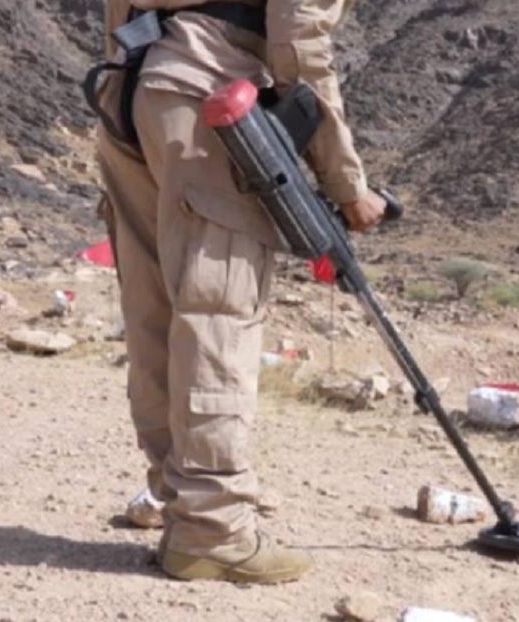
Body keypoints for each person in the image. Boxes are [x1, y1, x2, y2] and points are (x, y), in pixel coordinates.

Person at [88, 0, 386, 584]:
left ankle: (182, 505)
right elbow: (299, 39)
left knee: (157, 312)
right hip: (206, 94)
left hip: (131, 88)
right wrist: (346, 183)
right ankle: (212, 530)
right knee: (218, 310)